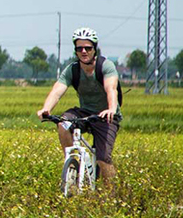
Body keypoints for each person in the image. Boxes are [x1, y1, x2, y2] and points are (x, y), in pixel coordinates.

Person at [37, 27, 121, 182]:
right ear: (75, 50)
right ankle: (72, 166)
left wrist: (111, 109)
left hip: (106, 115)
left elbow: (111, 89)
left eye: (88, 48)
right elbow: (57, 91)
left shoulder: (105, 66)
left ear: (94, 49)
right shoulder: (72, 69)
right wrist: (46, 109)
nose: (83, 51)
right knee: (63, 123)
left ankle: (111, 197)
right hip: (85, 112)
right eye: (79, 48)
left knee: (103, 159)